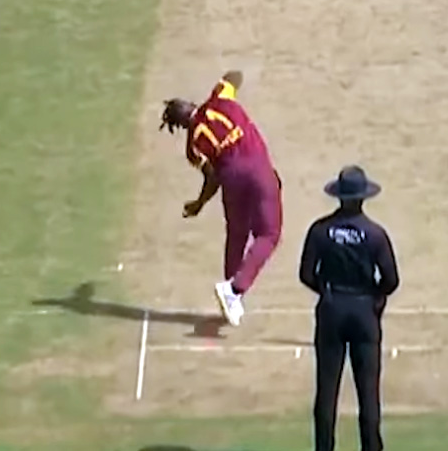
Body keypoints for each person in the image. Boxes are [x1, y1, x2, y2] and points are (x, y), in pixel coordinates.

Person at [159, 71, 283, 326]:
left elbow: (212, 179)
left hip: (231, 181)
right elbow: (234, 76)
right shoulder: (220, 98)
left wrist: (199, 203)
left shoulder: (193, 147)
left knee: (237, 234)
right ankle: (234, 290)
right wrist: (225, 82)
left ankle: (232, 298)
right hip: (257, 169)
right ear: (190, 104)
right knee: (269, 233)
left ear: (180, 126)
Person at [299, 165, 399, 451]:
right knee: (368, 392)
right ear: (363, 197)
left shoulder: (320, 231)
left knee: (326, 390)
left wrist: (327, 291)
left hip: (332, 309)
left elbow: (306, 274)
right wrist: (374, 297)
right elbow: (391, 279)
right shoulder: (375, 234)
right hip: (363, 311)